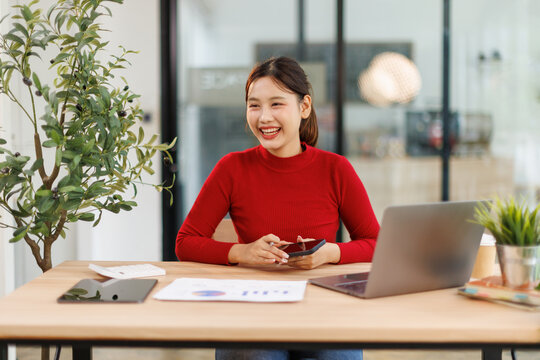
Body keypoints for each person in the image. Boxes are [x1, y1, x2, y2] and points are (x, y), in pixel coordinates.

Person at [176, 56, 379, 360]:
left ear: (305, 107)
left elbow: (377, 243)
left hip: (323, 307)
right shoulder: (231, 168)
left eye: (276, 104)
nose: (263, 117)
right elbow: (185, 243)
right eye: (254, 105)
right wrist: (240, 252)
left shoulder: (335, 169)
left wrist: (329, 253)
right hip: (253, 309)